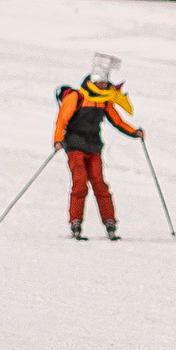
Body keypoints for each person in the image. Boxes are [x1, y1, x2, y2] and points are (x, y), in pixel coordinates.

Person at [51, 53, 142, 240]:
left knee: (100, 184)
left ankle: (110, 222)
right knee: (80, 183)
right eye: (100, 82)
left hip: (93, 147)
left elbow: (117, 121)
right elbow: (62, 120)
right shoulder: (77, 97)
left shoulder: (104, 100)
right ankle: (75, 221)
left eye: (105, 82)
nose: (103, 85)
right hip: (75, 146)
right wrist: (58, 139)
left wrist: (134, 132)